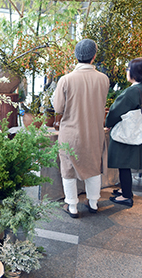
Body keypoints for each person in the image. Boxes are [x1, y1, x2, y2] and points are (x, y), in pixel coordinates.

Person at [53, 39, 110, 218]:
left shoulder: (66, 80)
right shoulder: (103, 79)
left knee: (68, 169)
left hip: (71, 132)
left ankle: (72, 207)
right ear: (94, 56)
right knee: (94, 166)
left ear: (76, 56)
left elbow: (57, 108)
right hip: (94, 132)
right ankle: (93, 203)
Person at [105, 58, 142, 208]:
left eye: (128, 69)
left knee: (123, 163)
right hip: (137, 133)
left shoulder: (133, 91)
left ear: (135, 72)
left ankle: (126, 196)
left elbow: (115, 111)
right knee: (127, 163)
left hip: (127, 134)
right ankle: (125, 190)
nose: (126, 71)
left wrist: (108, 124)